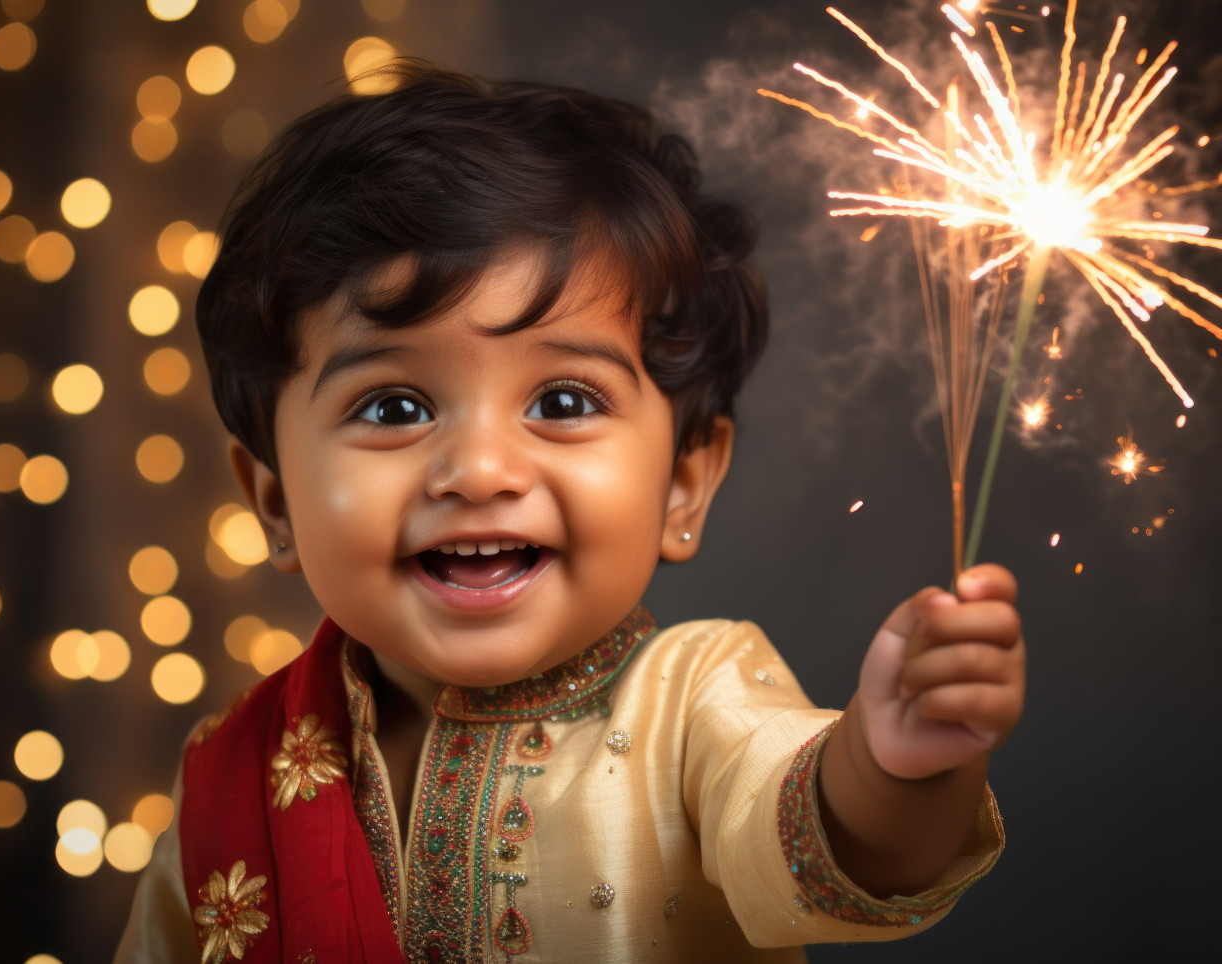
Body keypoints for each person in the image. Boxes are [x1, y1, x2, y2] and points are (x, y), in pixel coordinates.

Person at [115, 59, 1024, 964]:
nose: (477, 471)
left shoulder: (695, 699)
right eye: (394, 409)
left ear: (684, 485)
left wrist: (899, 767)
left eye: (561, 402)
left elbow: (818, 838)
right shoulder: (231, 779)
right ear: (273, 499)